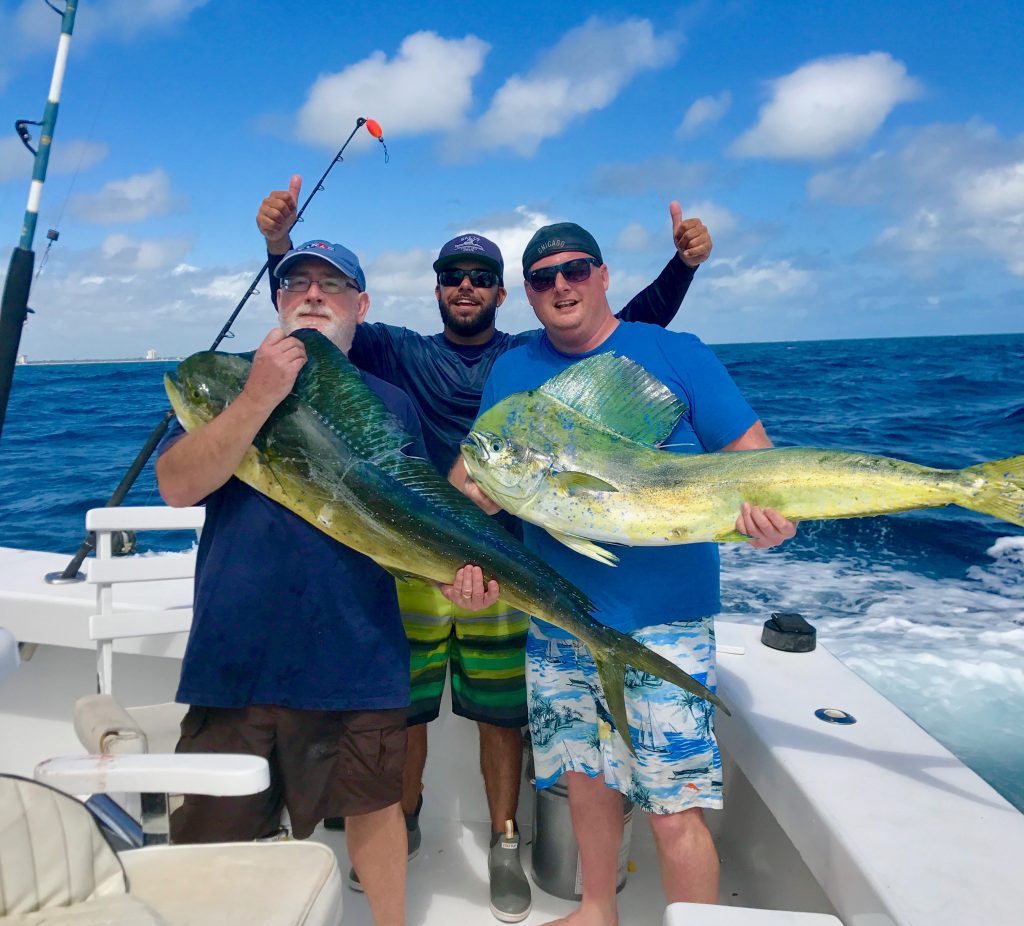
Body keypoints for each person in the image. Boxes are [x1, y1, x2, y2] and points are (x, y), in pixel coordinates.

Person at [256, 181, 713, 922]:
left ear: (505, 294)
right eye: (451, 276)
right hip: (413, 555)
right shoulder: (398, 352)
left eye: (480, 278)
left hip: (508, 561)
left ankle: (503, 837)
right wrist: (278, 248)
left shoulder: (528, 356)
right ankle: (399, 824)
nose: (464, 288)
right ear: (435, 288)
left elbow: (625, 328)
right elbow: (318, 321)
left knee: (501, 715)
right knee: (402, 710)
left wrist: (682, 268)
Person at [452, 222, 797, 925]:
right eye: (544, 278)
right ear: (528, 294)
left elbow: (761, 467)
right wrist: (472, 513)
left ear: (604, 275)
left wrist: (772, 522)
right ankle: (598, 909)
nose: (561, 286)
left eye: (575, 269)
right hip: (558, 616)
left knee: (673, 805)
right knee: (584, 777)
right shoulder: (513, 371)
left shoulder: (675, 354)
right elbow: (473, 476)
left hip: (663, 623)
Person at [156, 239, 476, 926]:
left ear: (361, 307)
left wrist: (458, 581)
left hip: (356, 654)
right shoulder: (223, 379)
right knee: (212, 837)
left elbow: (415, 524)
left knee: (374, 812)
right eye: (295, 281)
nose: (311, 294)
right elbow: (178, 485)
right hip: (236, 655)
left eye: (332, 285)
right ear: (276, 301)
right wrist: (256, 397)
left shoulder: (389, 401)